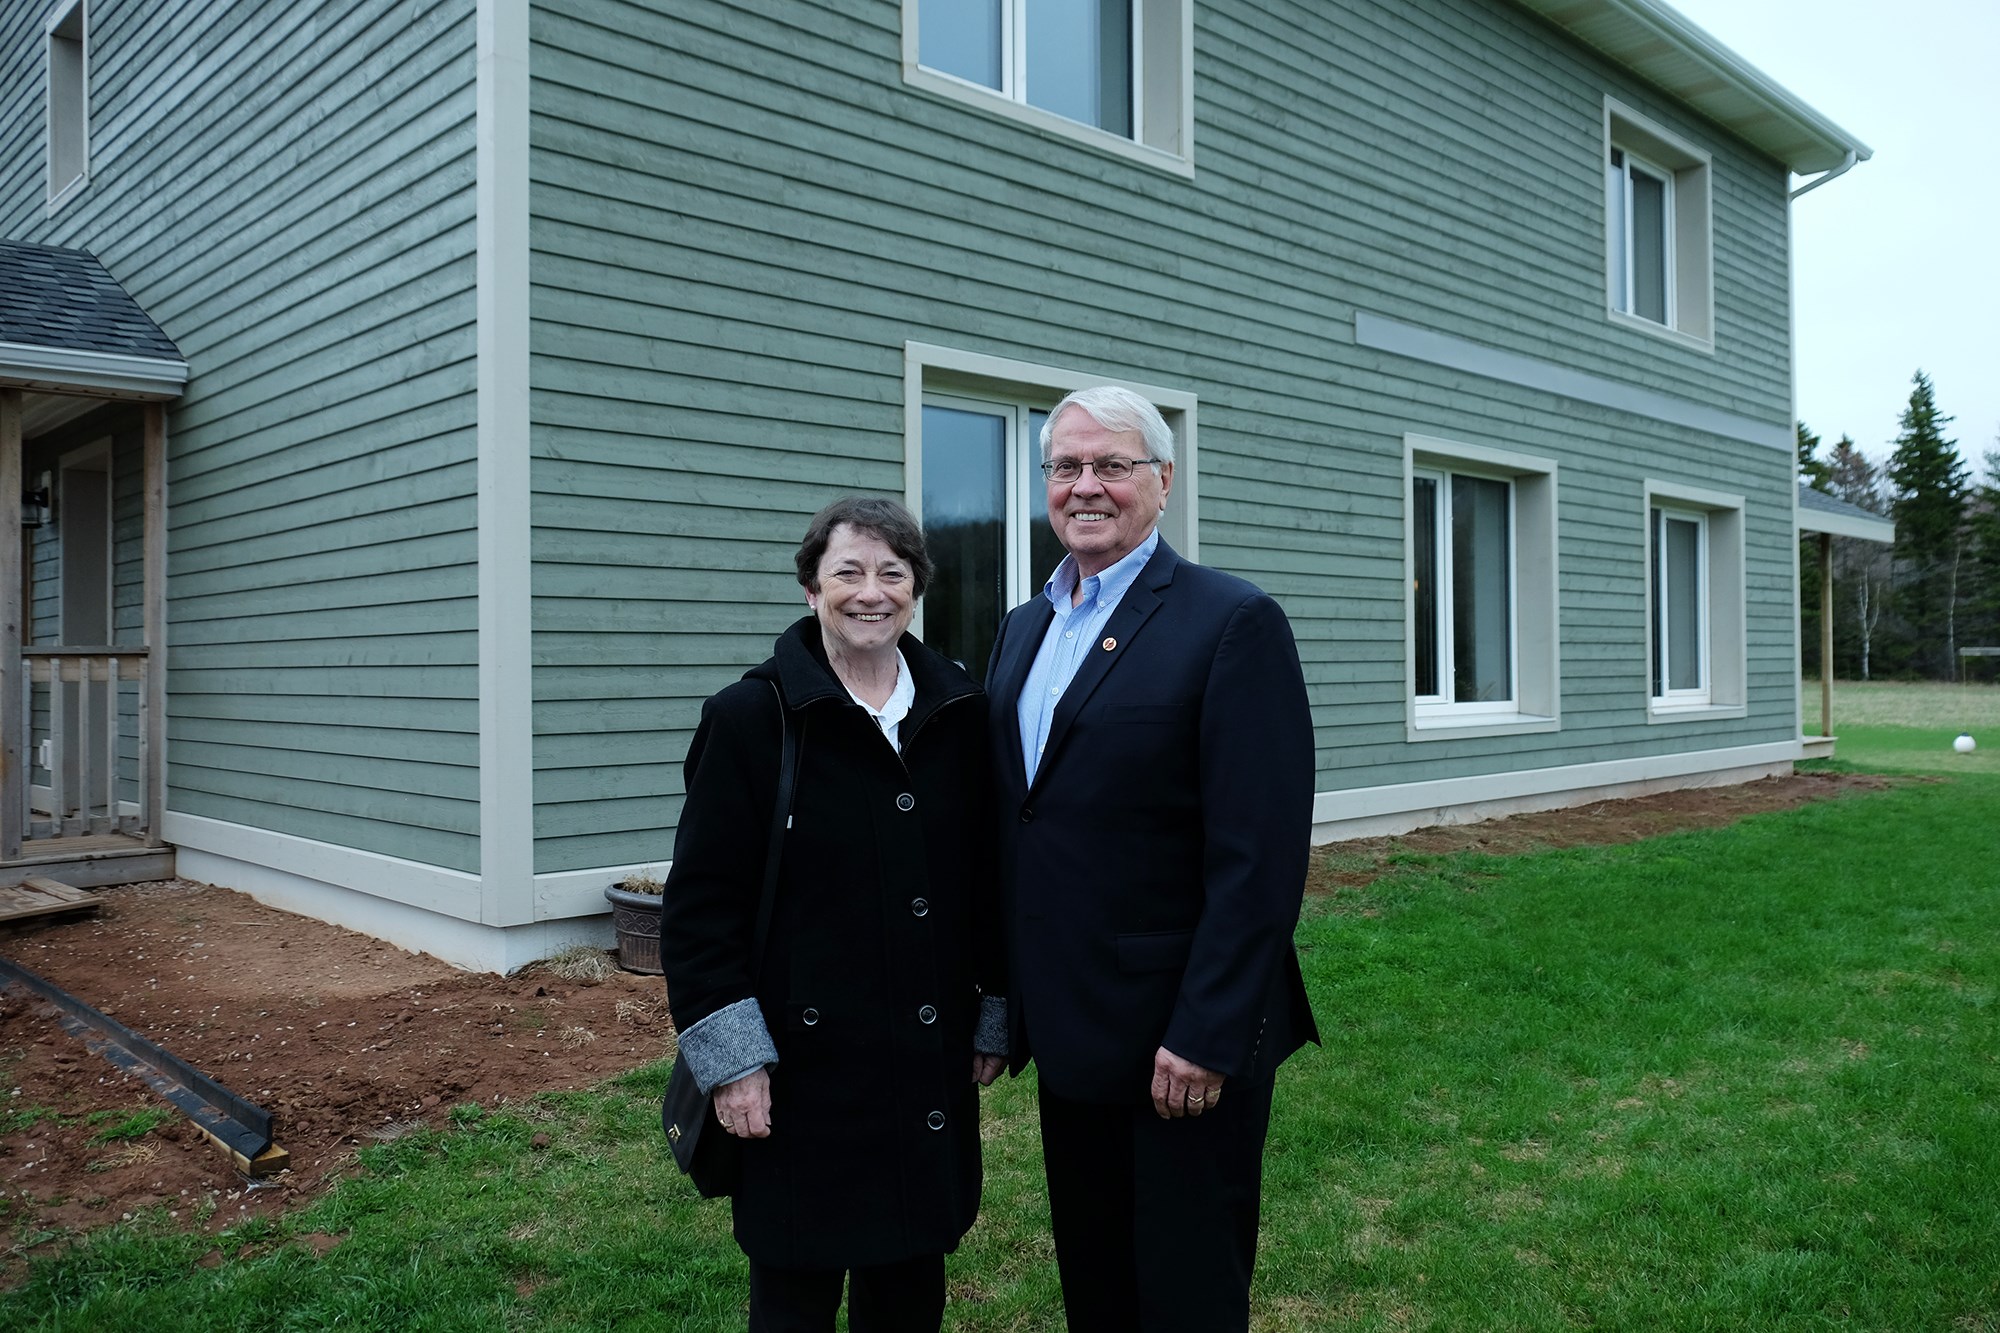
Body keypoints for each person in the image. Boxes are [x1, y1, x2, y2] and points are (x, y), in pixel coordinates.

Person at [985, 387, 1318, 1332]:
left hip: (1181, 1038)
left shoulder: (1231, 621)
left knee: (1186, 1293)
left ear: (1162, 482)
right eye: (1064, 467)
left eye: (1111, 465)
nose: (1085, 486)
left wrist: (1208, 1032)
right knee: (1096, 1284)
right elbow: (1024, 818)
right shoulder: (1026, 625)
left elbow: (1259, 854)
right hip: (1071, 1026)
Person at [662, 497, 1007, 1332]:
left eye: (893, 572)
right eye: (847, 571)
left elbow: (988, 877)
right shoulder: (751, 719)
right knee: (795, 1298)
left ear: (916, 589)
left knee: (909, 1292)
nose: (871, 592)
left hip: (925, 1059)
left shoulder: (959, 712)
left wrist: (993, 1012)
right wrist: (733, 1061)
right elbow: (701, 907)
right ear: (811, 587)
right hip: (798, 1074)